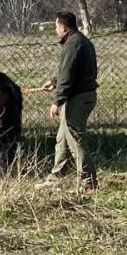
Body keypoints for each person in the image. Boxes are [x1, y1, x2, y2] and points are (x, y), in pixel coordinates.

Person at [37, 11, 99, 192]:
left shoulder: (71, 45)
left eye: (56, 26)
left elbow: (66, 75)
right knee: (62, 138)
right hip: (86, 94)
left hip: (77, 98)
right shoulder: (82, 41)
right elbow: (72, 71)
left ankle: (89, 184)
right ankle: (55, 179)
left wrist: (57, 101)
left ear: (63, 27)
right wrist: (54, 82)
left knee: (76, 140)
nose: (56, 29)